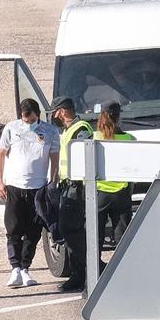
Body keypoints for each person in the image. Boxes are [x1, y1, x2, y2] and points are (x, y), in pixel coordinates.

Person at [0, 98, 56, 289]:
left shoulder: (49, 131)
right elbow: (1, 155)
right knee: (13, 229)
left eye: (30, 119)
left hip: (38, 187)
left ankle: (25, 268)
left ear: (37, 115)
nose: (27, 122)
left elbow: (55, 157)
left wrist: (53, 181)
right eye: (24, 119)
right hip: (14, 186)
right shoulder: (12, 128)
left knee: (33, 231)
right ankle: (15, 268)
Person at [50, 97, 93, 291]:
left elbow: (85, 156)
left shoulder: (81, 129)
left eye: (56, 111)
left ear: (63, 111)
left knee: (72, 230)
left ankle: (91, 270)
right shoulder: (68, 130)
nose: (55, 115)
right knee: (70, 231)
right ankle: (81, 273)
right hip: (68, 186)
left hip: (78, 187)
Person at [93, 101, 138, 243]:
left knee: (96, 235)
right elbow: (134, 168)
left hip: (99, 193)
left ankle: (97, 265)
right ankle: (122, 265)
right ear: (118, 117)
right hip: (121, 194)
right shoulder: (129, 139)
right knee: (123, 238)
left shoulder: (94, 138)